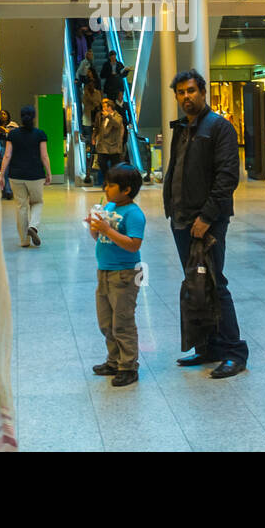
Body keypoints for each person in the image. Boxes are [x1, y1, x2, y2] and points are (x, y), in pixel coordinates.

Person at [164, 69, 249, 378]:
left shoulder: (219, 128)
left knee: (215, 282)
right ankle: (208, 346)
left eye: (191, 91)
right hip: (181, 218)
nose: (186, 97)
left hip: (206, 221)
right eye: (181, 93)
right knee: (196, 284)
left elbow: (227, 177)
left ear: (202, 92)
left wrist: (206, 217)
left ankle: (234, 351)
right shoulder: (183, 128)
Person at [88, 163, 146, 387]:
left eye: (111, 185)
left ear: (127, 189)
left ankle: (128, 366)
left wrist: (107, 230)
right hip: (104, 270)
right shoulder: (110, 206)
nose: (106, 189)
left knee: (122, 321)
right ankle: (114, 360)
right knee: (106, 321)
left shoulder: (134, 213)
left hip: (125, 274)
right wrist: (95, 227)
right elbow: (101, 238)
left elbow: (133, 245)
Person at [1, 105, 52, 248]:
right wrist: (49, 172)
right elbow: (44, 155)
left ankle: (24, 240)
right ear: (34, 117)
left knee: (21, 206)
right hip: (35, 175)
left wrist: (1, 175)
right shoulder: (40, 134)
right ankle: (33, 227)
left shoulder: (13, 134)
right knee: (37, 202)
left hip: (16, 176)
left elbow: (7, 155)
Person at [91, 96, 126, 187]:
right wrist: (94, 137)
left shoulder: (117, 116)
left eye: (105, 107)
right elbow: (98, 127)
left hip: (114, 146)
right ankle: (107, 179)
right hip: (103, 146)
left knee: (115, 166)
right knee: (101, 162)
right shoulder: (101, 117)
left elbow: (117, 124)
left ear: (110, 107)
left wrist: (109, 116)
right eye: (103, 107)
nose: (103, 109)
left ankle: (113, 182)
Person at [80, 73, 103, 184]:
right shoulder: (85, 94)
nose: (92, 86)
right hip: (87, 120)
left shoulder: (98, 93)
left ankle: (95, 162)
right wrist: (89, 97)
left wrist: (92, 102)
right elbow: (85, 103)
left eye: (93, 84)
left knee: (96, 141)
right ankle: (89, 165)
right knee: (89, 142)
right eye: (90, 85)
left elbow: (98, 103)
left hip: (96, 120)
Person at [0, 109, 16, 201]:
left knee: (7, 171)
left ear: (8, 115)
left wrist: (7, 131)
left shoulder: (12, 124)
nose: (3, 116)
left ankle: (8, 191)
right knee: (3, 172)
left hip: (9, 148)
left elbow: (16, 135)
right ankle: (5, 191)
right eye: (1, 114)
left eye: (5, 114)